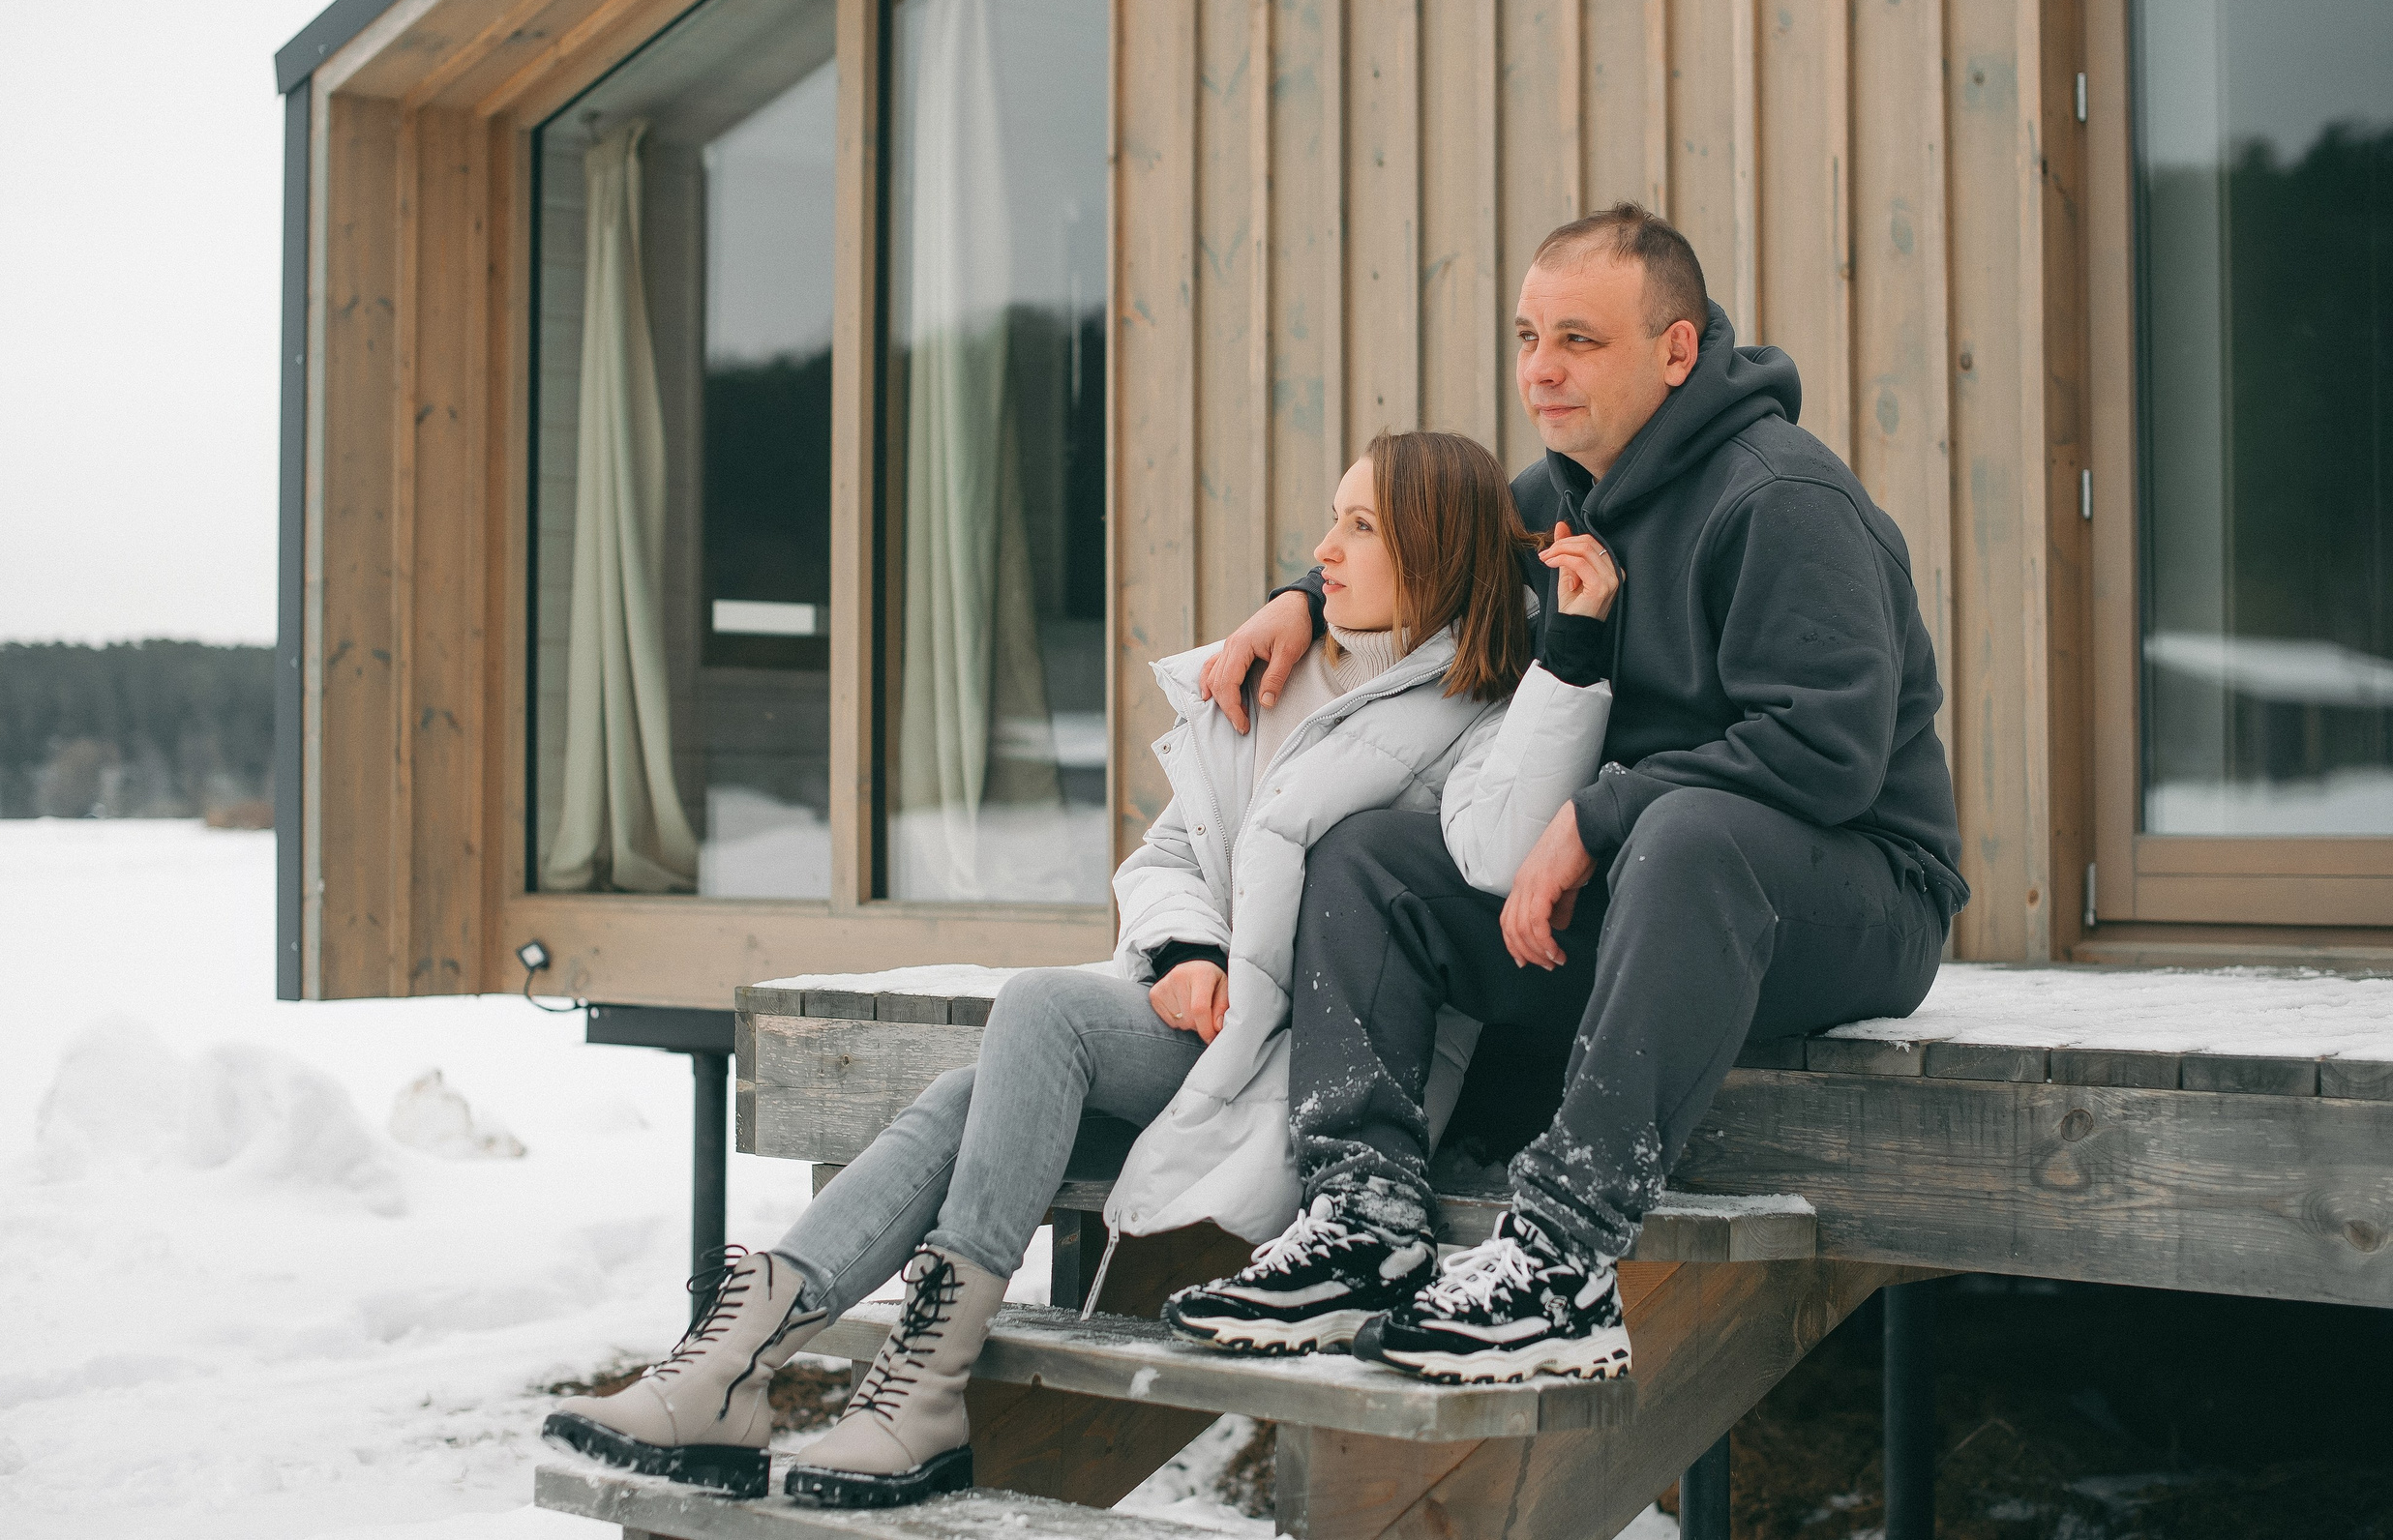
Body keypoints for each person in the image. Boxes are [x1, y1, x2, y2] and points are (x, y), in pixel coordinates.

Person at [544, 429, 1619, 1505]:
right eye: (1332, 517)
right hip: (1215, 1027)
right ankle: (739, 1365)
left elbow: (1497, 850)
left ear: (1435, 549)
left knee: (1043, 1011)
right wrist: (1190, 949)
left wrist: (1571, 654)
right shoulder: (1279, 676)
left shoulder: (1488, 712)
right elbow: (1162, 855)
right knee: (979, 1086)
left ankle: (895, 1386)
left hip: (1325, 1068)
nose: (1323, 549)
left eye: (1361, 525)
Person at [1173, 202, 1966, 1387]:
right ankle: (1363, 1216)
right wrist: (1298, 596)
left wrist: (1597, 815)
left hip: (1850, 893)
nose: (1540, 368)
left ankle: (1561, 1253)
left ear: (1677, 351)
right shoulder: (1563, 490)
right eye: (1527, 334)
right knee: (1373, 856)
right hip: (1647, 892)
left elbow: (1824, 753)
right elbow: (1424, 544)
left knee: (1687, 833)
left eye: (1579, 340)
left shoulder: (1782, 500)